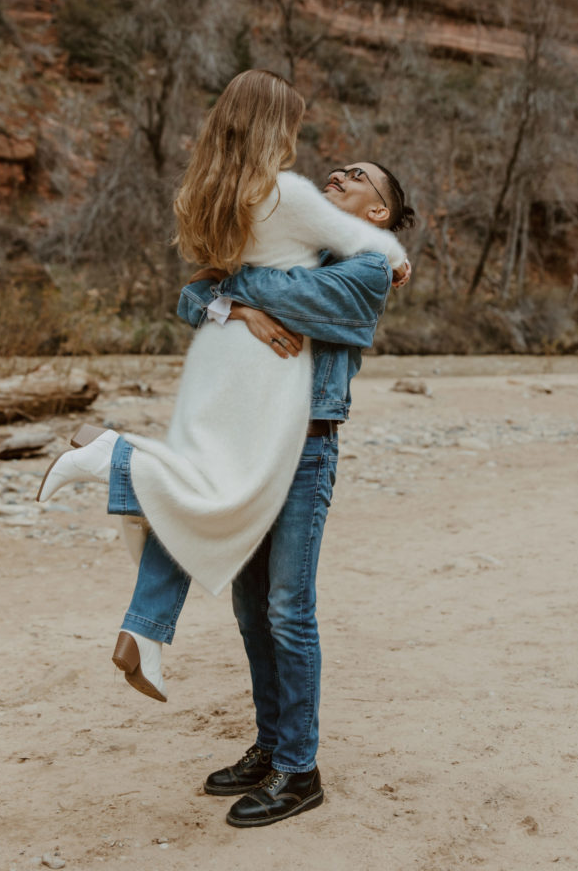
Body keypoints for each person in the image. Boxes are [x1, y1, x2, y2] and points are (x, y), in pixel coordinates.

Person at [36, 70, 410, 822]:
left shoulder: (362, 271)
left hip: (303, 451)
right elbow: (189, 294)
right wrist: (226, 301)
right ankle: (271, 746)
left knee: (287, 609)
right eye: (335, 169)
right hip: (248, 443)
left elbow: (298, 303)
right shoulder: (289, 236)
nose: (336, 174)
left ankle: (300, 770)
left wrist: (235, 292)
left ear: (378, 213)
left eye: (357, 179)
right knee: (248, 606)